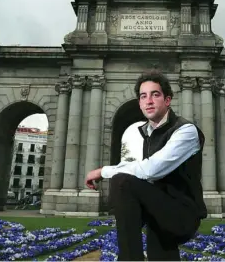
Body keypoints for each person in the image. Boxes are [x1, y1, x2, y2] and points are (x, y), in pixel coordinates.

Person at [85, 70, 207, 261]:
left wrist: (104, 171)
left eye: (155, 94)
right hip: (159, 211)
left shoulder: (186, 131)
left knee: (122, 181)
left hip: (182, 215)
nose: (148, 101)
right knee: (162, 255)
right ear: (140, 103)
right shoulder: (148, 134)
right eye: (143, 96)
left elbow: (150, 170)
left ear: (167, 100)